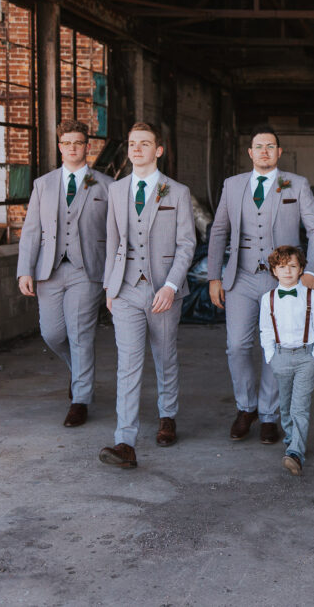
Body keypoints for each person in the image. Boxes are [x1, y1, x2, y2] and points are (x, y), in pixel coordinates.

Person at [207, 124, 314, 445]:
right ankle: (246, 407)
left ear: (279, 152)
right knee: (237, 346)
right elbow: (218, 231)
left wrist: (310, 271)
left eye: (270, 146)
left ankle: (270, 414)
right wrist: (214, 276)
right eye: (259, 147)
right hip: (240, 277)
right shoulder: (232, 186)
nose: (264, 152)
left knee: (277, 346)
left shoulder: (296, 184)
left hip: (282, 281)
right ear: (250, 152)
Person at [98, 122, 196, 469]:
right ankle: (125, 440)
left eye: (144, 143)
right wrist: (110, 287)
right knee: (128, 364)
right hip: (125, 289)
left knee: (165, 356)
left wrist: (170, 286)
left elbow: (187, 244)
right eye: (132, 143)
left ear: (159, 150)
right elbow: (112, 240)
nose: (136, 148)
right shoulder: (116, 190)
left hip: (163, 290)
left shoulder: (178, 192)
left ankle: (167, 416)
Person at [17, 119, 112, 427]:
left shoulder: (106, 185)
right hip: (49, 270)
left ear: (87, 146)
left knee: (81, 333)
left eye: (78, 143)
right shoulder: (43, 184)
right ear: (60, 147)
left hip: (88, 270)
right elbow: (31, 232)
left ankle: (80, 400)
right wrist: (24, 271)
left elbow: (115, 233)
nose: (73, 148)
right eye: (67, 143)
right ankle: (80, 373)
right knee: (53, 333)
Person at [258, 245, 314, 475]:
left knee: (300, 406)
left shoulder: (313, 297)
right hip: (280, 356)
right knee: (286, 405)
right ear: (274, 271)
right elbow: (266, 330)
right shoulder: (267, 299)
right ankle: (291, 439)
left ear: (301, 270)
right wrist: (271, 357)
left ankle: (296, 452)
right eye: (281, 267)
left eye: (292, 266)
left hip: (305, 356)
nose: (287, 271)